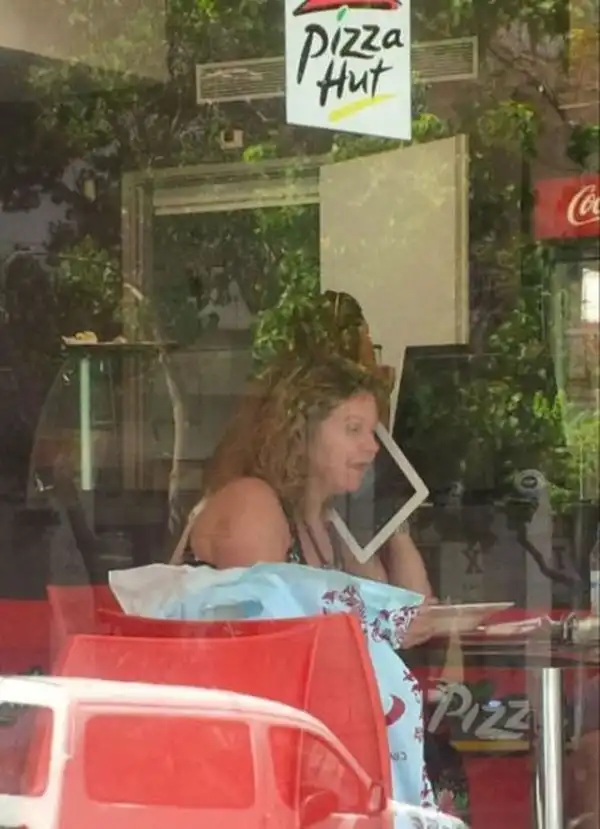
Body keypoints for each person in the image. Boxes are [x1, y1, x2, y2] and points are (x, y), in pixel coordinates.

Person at [177, 354, 436, 649]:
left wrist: (395, 518)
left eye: (372, 432)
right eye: (353, 429)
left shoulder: (331, 522)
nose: (373, 447)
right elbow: (266, 639)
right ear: (301, 433)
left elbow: (415, 614)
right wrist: (379, 631)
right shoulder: (253, 504)